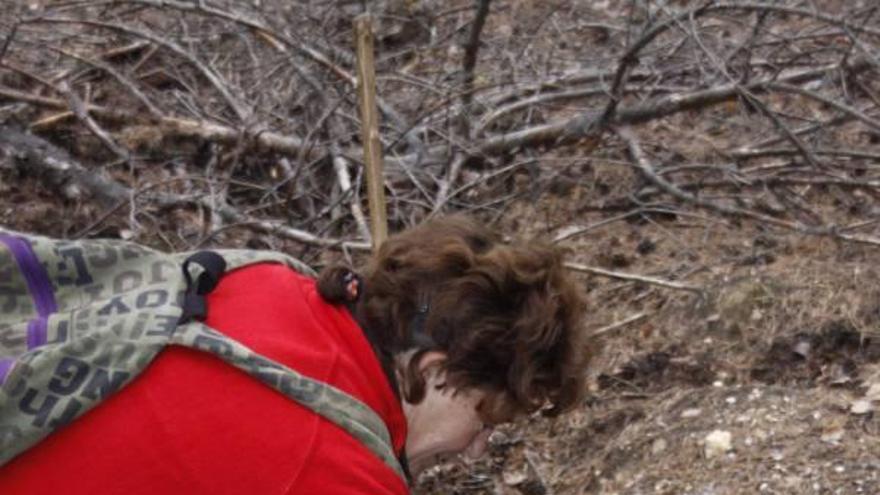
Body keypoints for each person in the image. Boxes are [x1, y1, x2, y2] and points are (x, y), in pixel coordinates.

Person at [0, 215, 591, 494]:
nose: (478, 446)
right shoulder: (327, 470)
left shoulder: (270, 280)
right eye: (485, 416)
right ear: (432, 372)